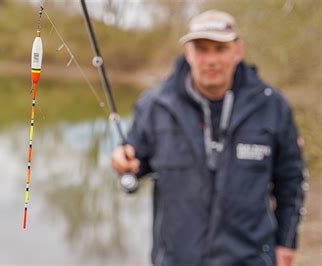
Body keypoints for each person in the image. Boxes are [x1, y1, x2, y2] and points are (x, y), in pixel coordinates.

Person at [112, 10, 307, 266]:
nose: (211, 59)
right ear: (188, 54)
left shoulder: (273, 106)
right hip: (175, 258)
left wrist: (286, 243)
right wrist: (124, 162)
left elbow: (291, 180)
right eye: (202, 49)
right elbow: (136, 157)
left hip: (250, 258)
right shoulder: (154, 104)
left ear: (238, 51)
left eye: (220, 48)